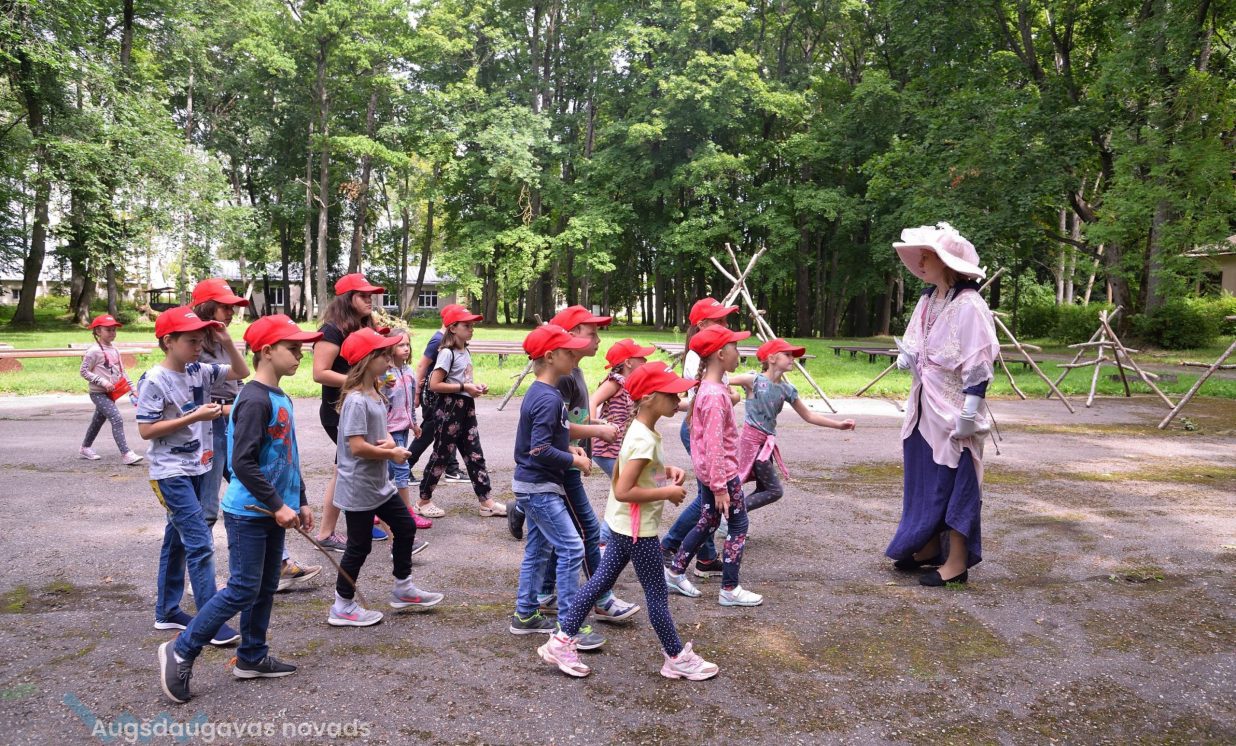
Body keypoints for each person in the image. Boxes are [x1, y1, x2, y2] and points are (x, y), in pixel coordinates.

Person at [158, 314, 322, 704]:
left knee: (265, 586)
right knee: (243, 587)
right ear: (267, 351)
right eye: (293, 349)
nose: (300, 356)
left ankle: (251, 656)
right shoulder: (253, 399)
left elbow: (289, 456)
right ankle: (181, 648)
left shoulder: (279, 396)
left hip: (274, 510)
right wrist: (277, 504)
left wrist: (299, 499)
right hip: (249, 512)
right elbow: (241, 463)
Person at [540, 362, 718, 681]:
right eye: (671, 394)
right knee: (656, 595)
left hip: (625, 527)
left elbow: (636, 473)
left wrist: (665, 472)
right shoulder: (643, 438)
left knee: (598, 583)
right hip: (638, 531)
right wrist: (666, 492)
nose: (678, 400)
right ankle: (676, 657)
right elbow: (624, 490)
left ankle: (561, 641)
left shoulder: (641, 430)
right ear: (649, 398)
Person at [885, 222, 998, 587]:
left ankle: (957, 562)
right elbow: (915, 342)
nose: (920, 263)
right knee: (925, 476)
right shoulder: (928, 300)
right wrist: (907, 357)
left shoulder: (970, 306)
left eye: (927, 256)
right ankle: (929, 544)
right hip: (923, 407)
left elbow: (978, 360)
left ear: (947, 262)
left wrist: (970, 410)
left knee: (957, 479)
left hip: (953, 409)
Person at [136, 306, 248, 643]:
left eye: (201, 341)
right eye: (191, 341)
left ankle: (167, 611)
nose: (198, 347)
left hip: (200, 464)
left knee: (177, 538)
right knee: (200, 543)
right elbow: (146, 430)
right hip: (170, 471)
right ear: (168, 341)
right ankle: (209, 622)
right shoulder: (154, 380)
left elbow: (241, 371)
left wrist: (226, 340)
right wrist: (194, 416)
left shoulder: (200, 370)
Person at [328, 328, 444, 627]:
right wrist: (391, 454)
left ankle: (403, 588)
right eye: (382, 355)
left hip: (378, 484)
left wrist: (391, 443)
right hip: (358, 487)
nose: (389, 359)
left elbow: (378, 436)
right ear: (367, 361)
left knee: (405, 526)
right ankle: (342, 606)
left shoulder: (375, 393)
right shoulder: (357, 400)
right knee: (359, 546)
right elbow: (356, 447)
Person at [533, 306, 636, 625]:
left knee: (561, 535)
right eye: (591, 333)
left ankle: (544, 594)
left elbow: (570, 418)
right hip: (562, 466)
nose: (598, 340)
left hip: (568, 464)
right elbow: (555, 428)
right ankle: (602, 599)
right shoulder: (562, 376)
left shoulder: (573, 370)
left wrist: (595, 422)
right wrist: (597, 431)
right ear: (571, 336)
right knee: (588, 529)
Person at [508, 324, 599, 648]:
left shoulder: (545, 393)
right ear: (550, 357)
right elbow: (539, 450)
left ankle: (525, 615)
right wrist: (574, 460)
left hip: (534, 484)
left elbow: (545, 440)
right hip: (539, 487)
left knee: (538, 549)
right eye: (568, 351)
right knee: (572, 548)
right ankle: (569, 626)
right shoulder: (548, 399)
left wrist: (569, 447)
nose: (574, 355)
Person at [663, 325, 764, 607]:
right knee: (739, 524)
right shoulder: (715, 397)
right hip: (723, 475)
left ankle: (675, 571)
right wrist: (720, 487)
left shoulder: (708, 390)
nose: (739, 353)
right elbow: (714, 446)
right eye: (735, 348)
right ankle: (729, 588)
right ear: (720, 354)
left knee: (708, 521)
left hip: (712, 474)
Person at [660, 297, 743, 577]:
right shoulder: (700, 359)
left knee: (708, 508)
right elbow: (712, 407)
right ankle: (670, 545)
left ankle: (702, 558)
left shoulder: (709, 360)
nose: (726, 325)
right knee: (708, 502)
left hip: (705, 431)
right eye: (720, 321)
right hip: (704, 433)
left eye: (726, 320)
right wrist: (732, 397)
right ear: (702, 325)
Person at [729, 339, 856, 515]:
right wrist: (730, 395)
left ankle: (732, 516)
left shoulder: (787, 389)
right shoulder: (753, 381)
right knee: (774, 491)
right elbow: (721, 380)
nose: (792, 358)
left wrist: (839, 425)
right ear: (771, 359)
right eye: (787, 355)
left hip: (765, 446)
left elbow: (808, 415)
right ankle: (731, 514)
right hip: (752, 445)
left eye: (793, 355)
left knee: (764, 488)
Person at [313, 273, 390, 551]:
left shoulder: (365, 326)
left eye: (371, 296)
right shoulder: (332, 330)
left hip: (362, 407)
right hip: (338, 411)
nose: (370, 300)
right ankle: (328, 533)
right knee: (349, 469)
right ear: (348, 299)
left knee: (347, 468)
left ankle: (356, 525)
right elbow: (319, 373)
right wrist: (358, 382)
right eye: (363, 296)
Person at [415, 304, 506, 518]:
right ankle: (422, 501)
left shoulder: (465, 350)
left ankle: (486, 502)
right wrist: (464, 387)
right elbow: (435, 384)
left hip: (466, 408)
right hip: (449, 410)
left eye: (472, 326)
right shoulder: (446, 353)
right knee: (441, 455)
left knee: (475, 454)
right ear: (453, 328)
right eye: (467, 326)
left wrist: (475, 387)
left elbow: (462, 380)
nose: (471, 329)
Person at [590, 338, 655, 552]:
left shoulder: (631, 383)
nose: (645, 360)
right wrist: (594, 424)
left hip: (617, 449)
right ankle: (603, 541)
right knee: (626, 491)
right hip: (606, 449)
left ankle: (604, 540)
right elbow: (593, 400)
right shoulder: (615, 381)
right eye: (641, 357)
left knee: (623, 491)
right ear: (628, 362)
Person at [381, 328, 434, 546]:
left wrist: (414, 423)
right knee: (401, 470)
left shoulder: (410, 372)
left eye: (407, 345)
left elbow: (411, 402)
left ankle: (378, 509)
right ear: (390, 347)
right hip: (389, 430)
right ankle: (407, 513)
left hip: (403, 428)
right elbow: (380, 402)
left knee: (388, 473)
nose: (405, 348)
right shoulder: (384, 374)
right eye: (400, 345)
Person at [404, 317, 467, 488]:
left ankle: (451, 469)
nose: (470, 328)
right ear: (451, 325)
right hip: (434, 397)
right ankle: (405, 466)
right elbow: (421, 366)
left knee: (449, 429)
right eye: (465, 324)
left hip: (444, 396)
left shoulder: (448, 341)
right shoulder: (438, 340)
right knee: (429, 431)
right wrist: (417, 394)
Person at [78, 313, 142, 465]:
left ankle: (85, 448)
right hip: (98, 393)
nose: (112, 333)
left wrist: (133, 388)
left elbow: (122, 371)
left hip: (111, 394)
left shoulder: (115, 350)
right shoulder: (93, 351)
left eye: (114, 330)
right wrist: (102, 381)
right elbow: (83, 371)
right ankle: (126, 453)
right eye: (108, 330)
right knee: (116, 418)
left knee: (97, 422)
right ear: (98, 331)